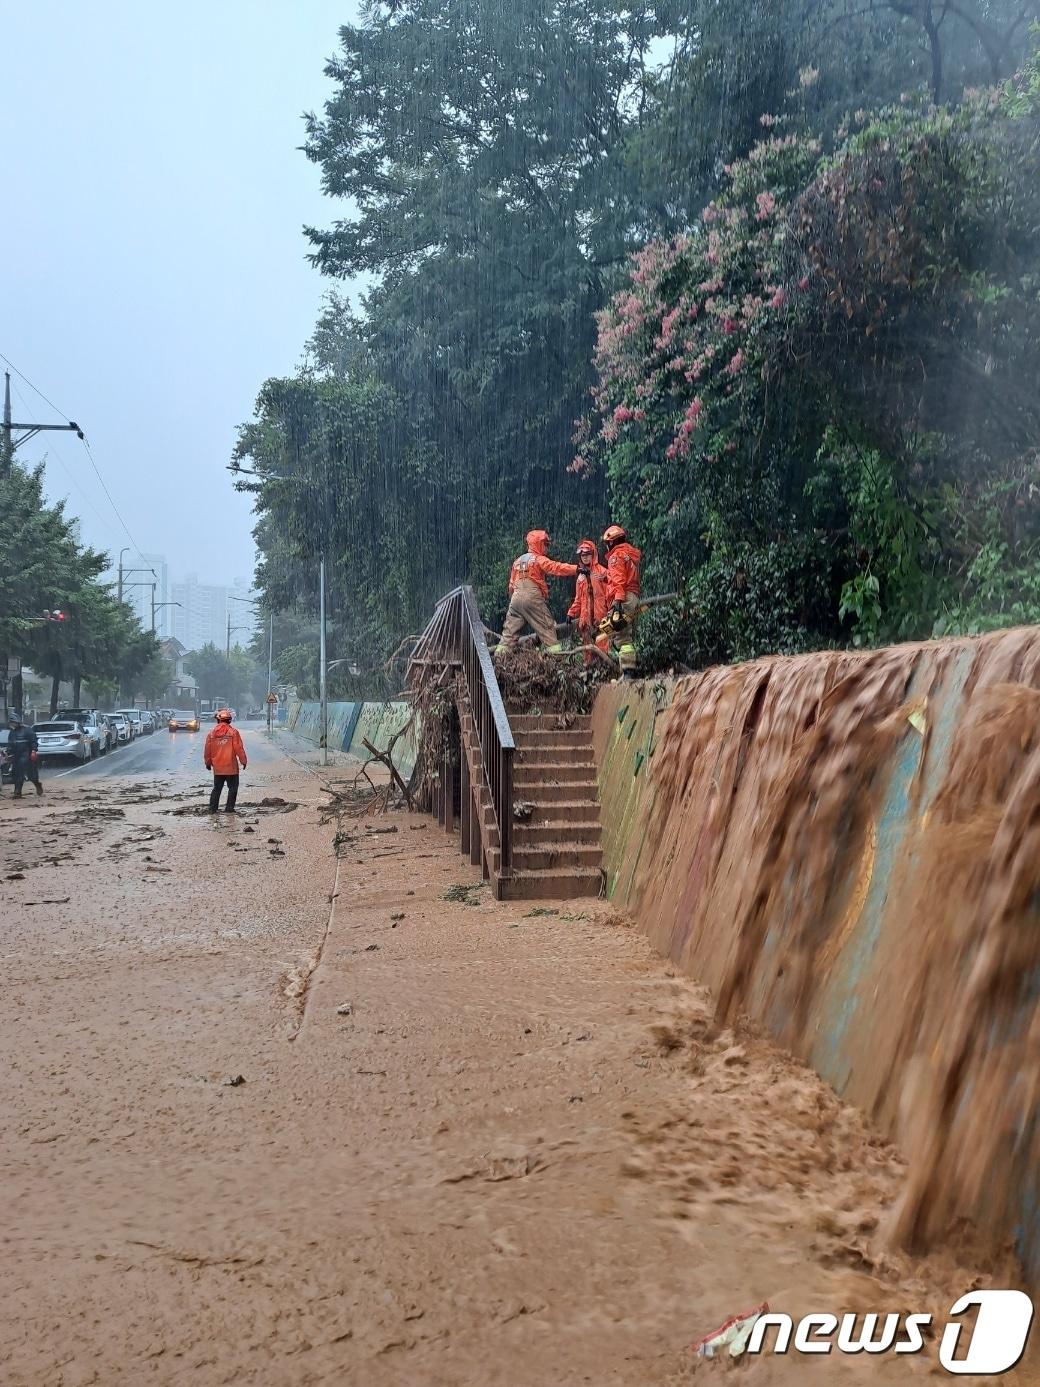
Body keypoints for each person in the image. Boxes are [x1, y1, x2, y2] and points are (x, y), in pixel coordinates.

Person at [495, 529, 576, 653]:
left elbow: (511, 586)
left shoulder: (517, 561)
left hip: (515, 599)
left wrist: (515, 602)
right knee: (547, 627)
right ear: (538, 543)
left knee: (508, 635)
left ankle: (499, 659)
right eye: (545, 544)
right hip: (531, 597)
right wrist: (577, 569)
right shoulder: (538, 559)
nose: (547, 548)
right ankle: (557, 660)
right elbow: (556, 567)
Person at [600, 524, 642, 676]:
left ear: (611, 542)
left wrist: (617, 602)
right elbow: (627, 578)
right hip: (633, 596)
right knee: (620, 632)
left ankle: (628, 672)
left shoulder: (615, 556)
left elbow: (619, 580)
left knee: (620, 634)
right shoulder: (629, 555)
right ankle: (628, 668)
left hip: (622, 598)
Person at [567, 538, 610, 663]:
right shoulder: (580, 577)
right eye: (582, 555)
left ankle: (604, 670)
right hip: (585, 620)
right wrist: (571, 613)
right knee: (587, 650)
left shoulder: (602, 572)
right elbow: (578, 600)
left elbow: (610, 593)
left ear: (593, 554)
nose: (585, 558)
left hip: (600, 616)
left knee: (602, 646)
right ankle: (590, 673)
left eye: (587, 555)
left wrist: (611, 609)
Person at [204, 708, 247, 812]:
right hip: (231, 767)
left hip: (218, 767)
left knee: (217, 788)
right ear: (229, 720)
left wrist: (208, 763)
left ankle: (212, 809)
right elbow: (239, 749)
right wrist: (243, 761)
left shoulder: (211, 734)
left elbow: (207, 750)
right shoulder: (233, 732)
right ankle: (229, 809)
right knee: (233, 788)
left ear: (218, 720)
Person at [8, 713, 43, 799]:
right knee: (17, 774)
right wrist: (9, 753)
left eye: (14, 722)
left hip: (27, 755)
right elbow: (11, 744)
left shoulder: (27, 730)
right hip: (17, 756)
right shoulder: (12, 733)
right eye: (11, 723)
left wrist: (34, 751)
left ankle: (37, 784)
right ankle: (17, 792)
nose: (12, 724)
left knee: (32, 775)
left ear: (18, 722)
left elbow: (33, 741)